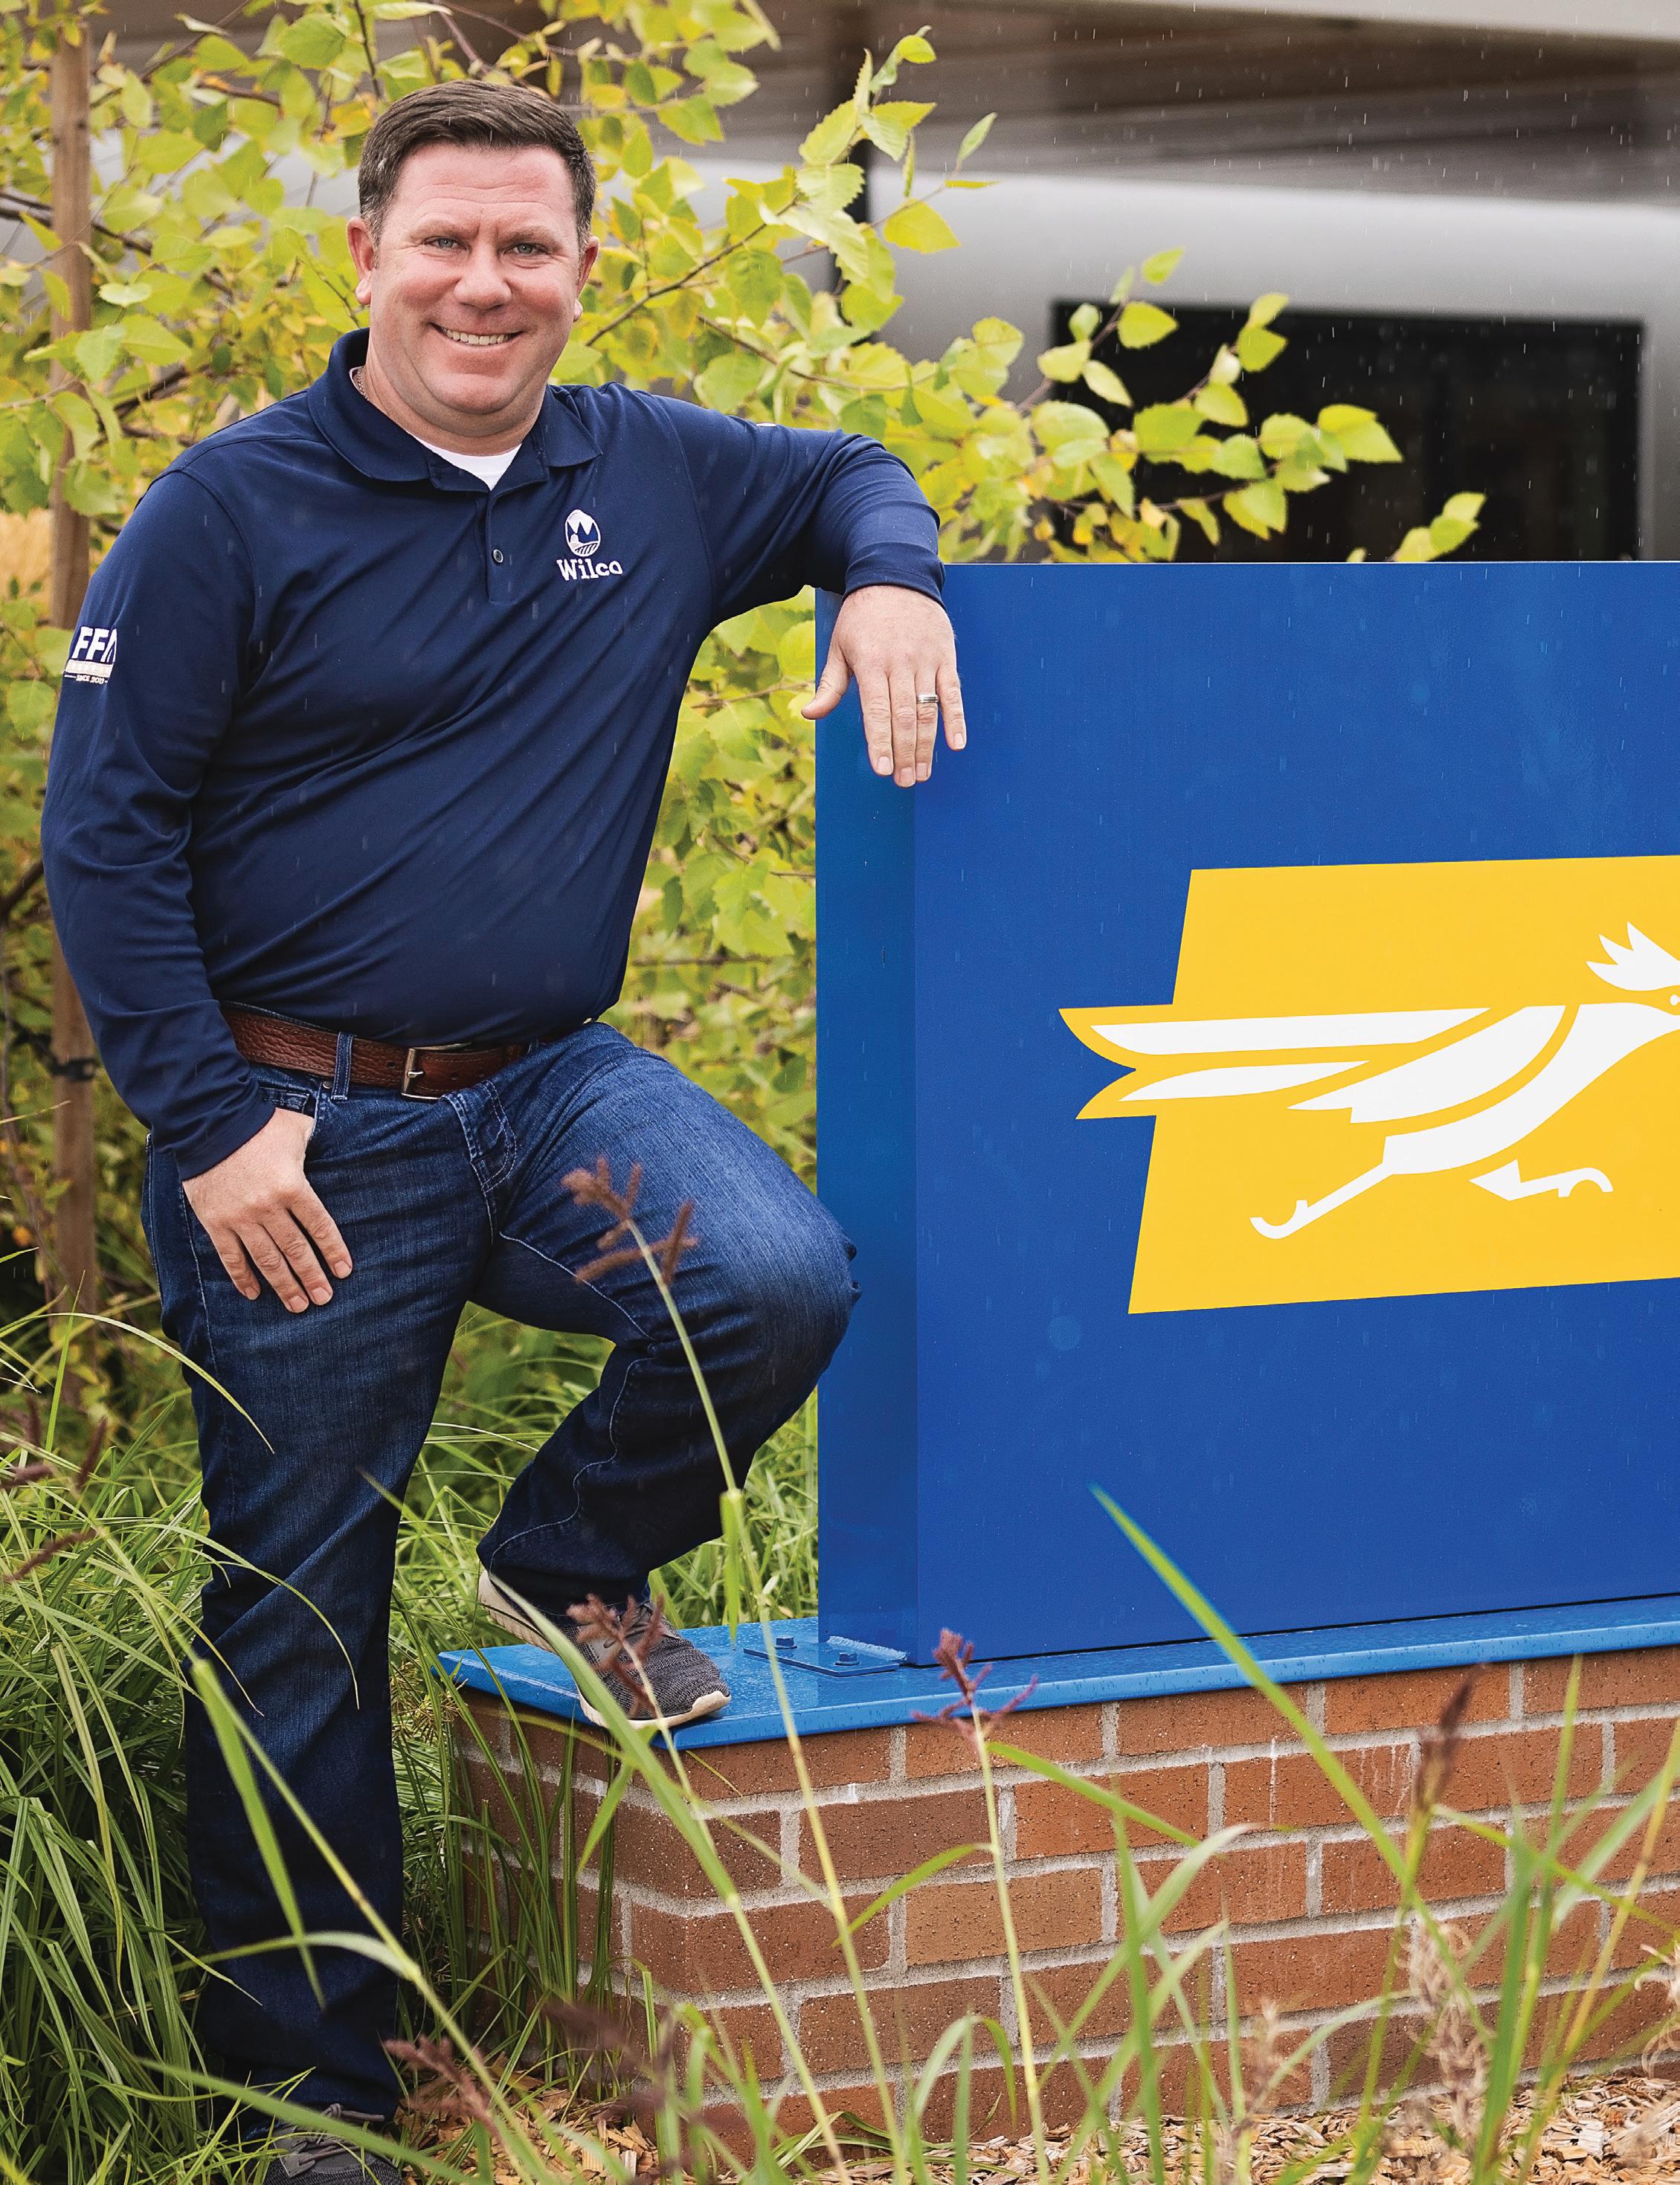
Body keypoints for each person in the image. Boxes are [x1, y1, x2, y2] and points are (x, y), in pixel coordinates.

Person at [42, 79, 962, 2180]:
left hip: (545, 1082)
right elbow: (104, 834)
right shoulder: (228, 509)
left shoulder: (644, 467)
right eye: (444, 241)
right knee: (299, 1607)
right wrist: (209, 1124)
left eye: (525, 246)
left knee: (773, 1274)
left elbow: (849, 469)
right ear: (365, 257)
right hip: (289, 1130)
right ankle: (311, 2093)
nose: (484, 283)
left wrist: (891, 580)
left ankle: (567, 1563)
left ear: (581, 268)